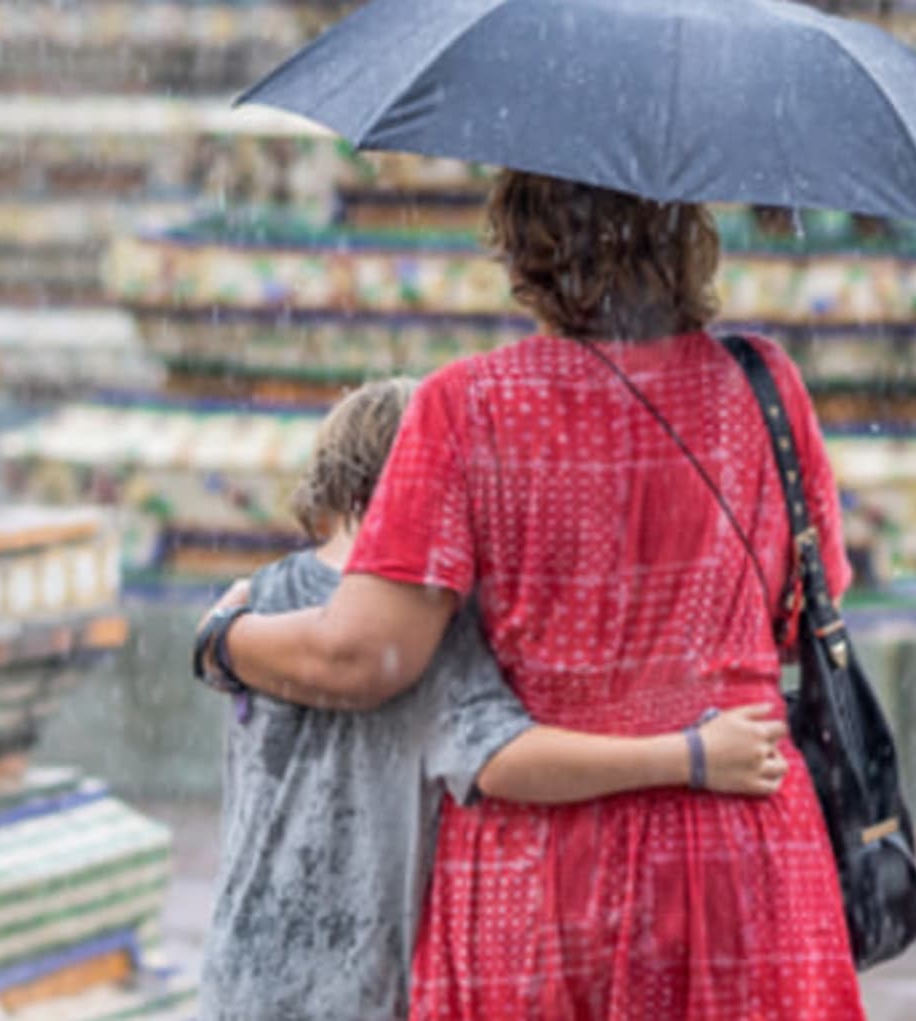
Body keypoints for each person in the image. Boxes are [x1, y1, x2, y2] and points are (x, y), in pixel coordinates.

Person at [197, 172, 870, 1019]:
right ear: (686, 232)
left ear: (524, 247)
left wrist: (227, 639)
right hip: (741, 835)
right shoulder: (767, 388)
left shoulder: (468, 406)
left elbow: (367, 654)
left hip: (545, 866)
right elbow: (806, 609)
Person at [197, 377, 789, 1021]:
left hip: (241, 969)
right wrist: (691, 757)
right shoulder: (421, 626)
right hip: (358, 988)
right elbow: (502, 760)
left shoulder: (252, 601)